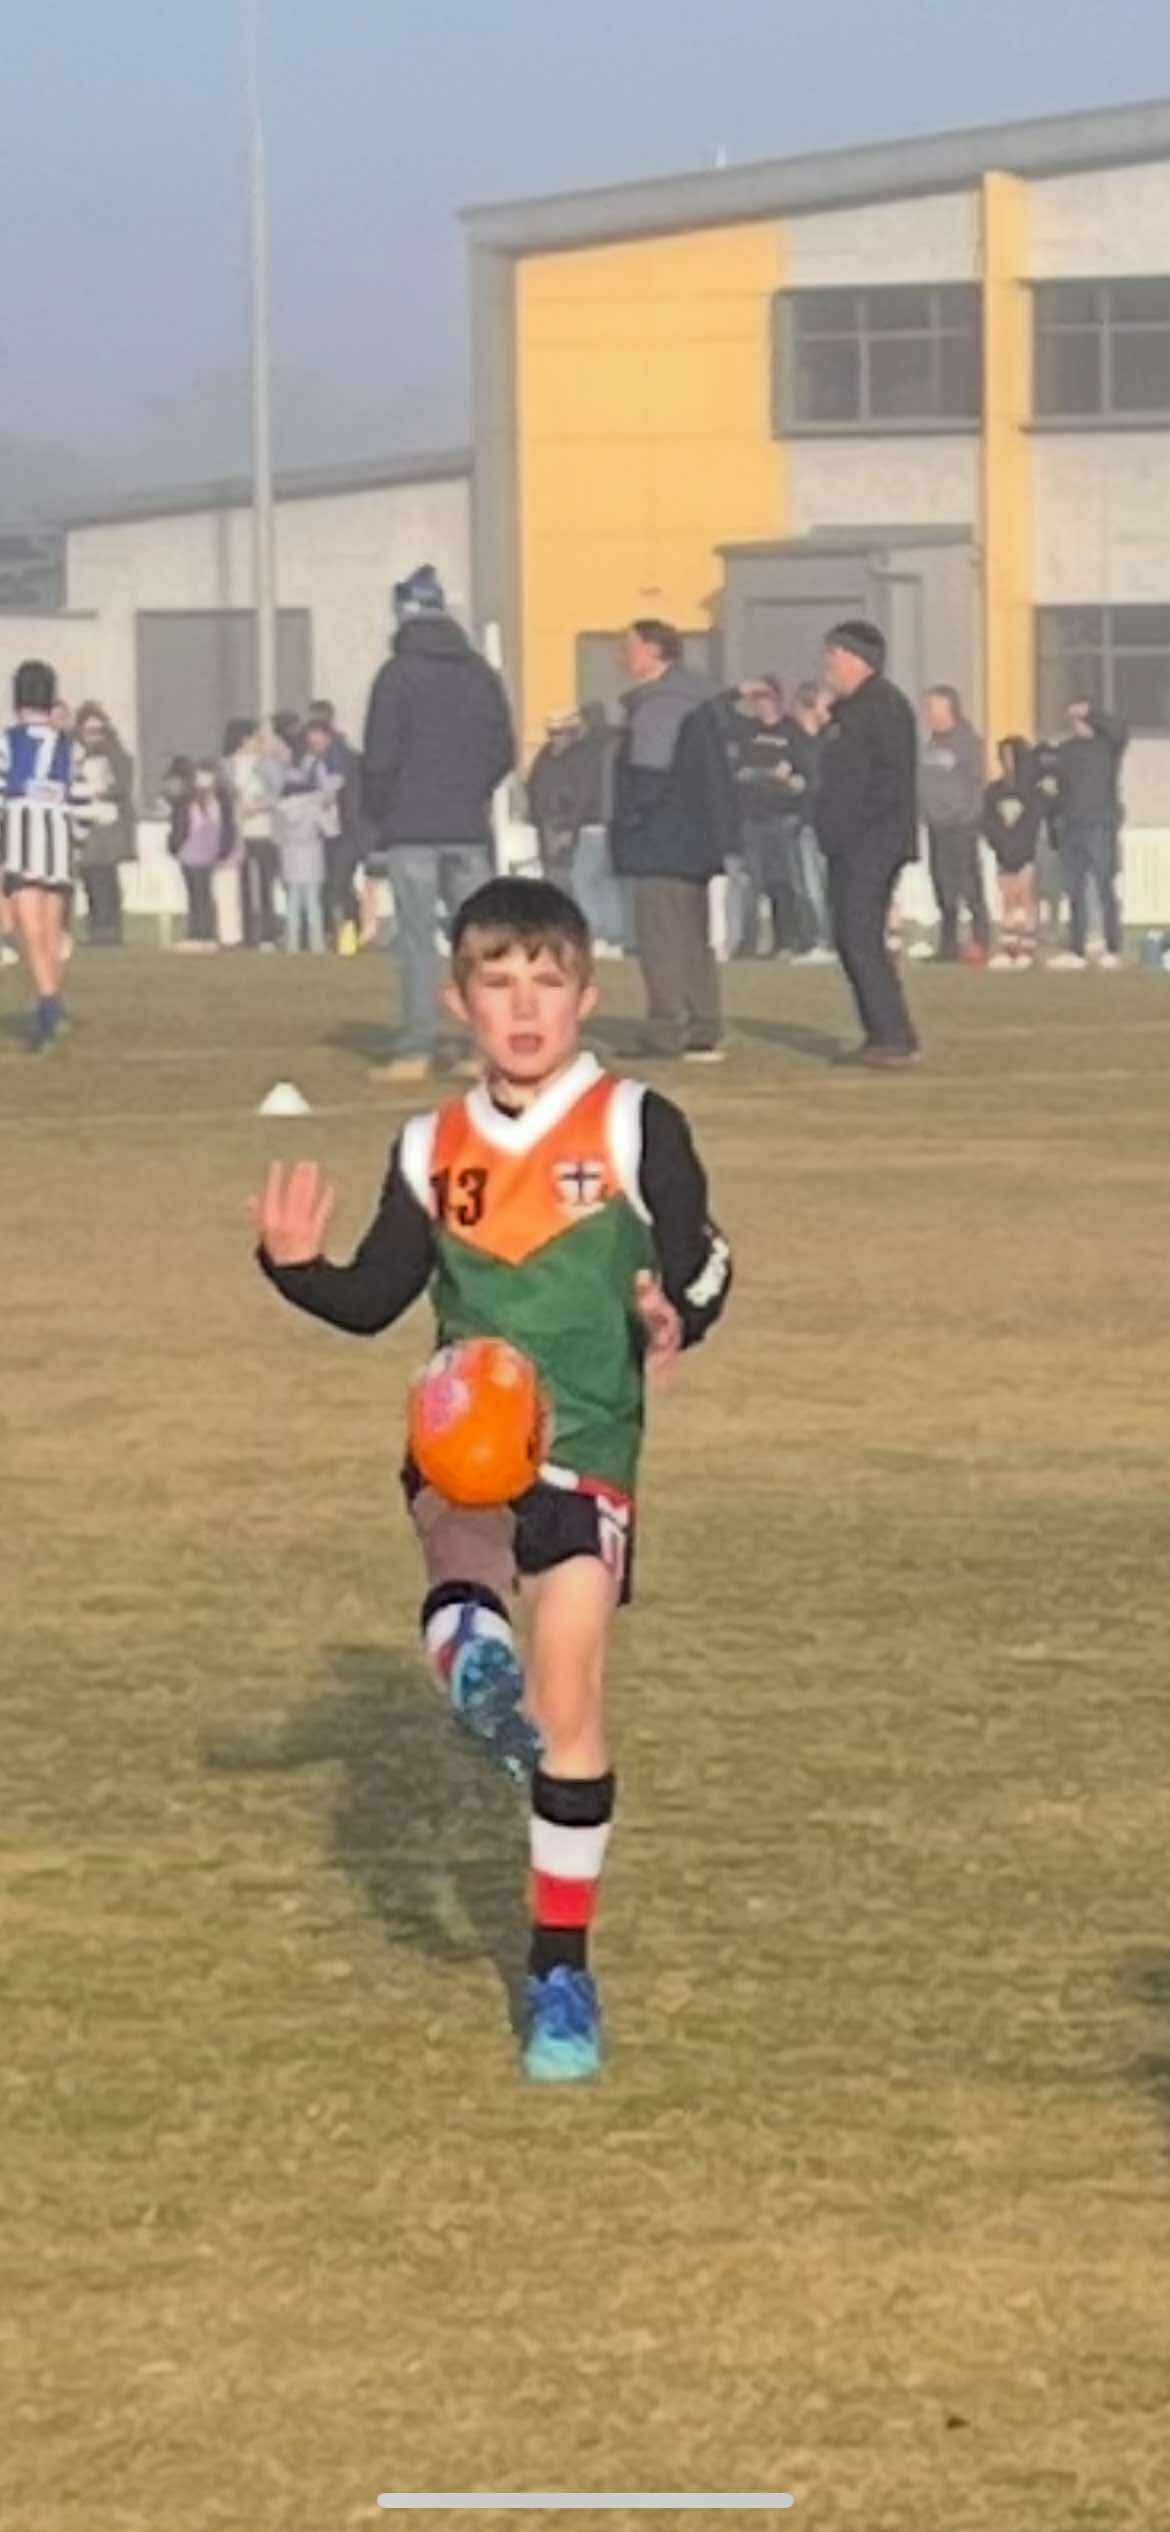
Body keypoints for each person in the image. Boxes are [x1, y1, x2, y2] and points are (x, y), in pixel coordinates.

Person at [251, 874, 732, 2082]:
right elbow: (377, 1298)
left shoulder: (635, 1123)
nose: (524, 1009)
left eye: (546, 984)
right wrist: (297, 1270)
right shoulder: (430, 1147)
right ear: (461, 999)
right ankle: (469, 1650)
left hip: (591, 1451)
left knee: (569, 1710)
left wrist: (672, 1313)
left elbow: (705, 1261)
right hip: (465, 1437)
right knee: (463, 1552)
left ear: (586, 995)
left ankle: (559, 1972)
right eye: (498, 984)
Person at [361, 564, 515, 1086]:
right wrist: (472, 791)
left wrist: (382, 812)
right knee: (481, 945)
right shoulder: (480, 674)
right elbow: (502, 750)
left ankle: (416, 1045)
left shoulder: (396, 675)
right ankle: (485, 1047)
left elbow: (379, 757)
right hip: (468, 825)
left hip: (411, 826)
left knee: (415, 941)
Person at [610, 620, 736, 1061]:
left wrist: (630, 822)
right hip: (696, 840)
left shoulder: (661, 704)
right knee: (692, 936)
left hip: (660, 839)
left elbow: (649, 773)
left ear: (653, 651)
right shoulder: (701, 699)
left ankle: (667, 1028)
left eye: (629, 647)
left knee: (661, 936)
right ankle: (703, 1024)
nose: (622, 656)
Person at [818, 621, 920, 1068]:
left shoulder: (883, 707)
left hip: (871, 841)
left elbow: (885, 780)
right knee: (850, 936)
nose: (827, 665)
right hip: (848, 841)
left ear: (857, 659)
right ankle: (882, 1032)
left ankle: (892, 1035)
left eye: (833, 655)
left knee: (860, 935)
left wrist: (858, 828)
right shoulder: (848, 711)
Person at [0, 659, 91, 1051]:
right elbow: (83, 801)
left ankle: (49, 1009)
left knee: (29, 932)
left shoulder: (8, 741)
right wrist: (75, 841)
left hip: (21, 846)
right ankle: (49, 1002)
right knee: (49, 933)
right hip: (58, 848)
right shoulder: (70, 747)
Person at [1049, 698, 1129, 969]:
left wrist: (1092, 712)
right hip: (1071, 825)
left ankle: (1111, 946)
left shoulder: (1108, 746)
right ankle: (1077, 947)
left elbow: (1119, 730)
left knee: (1104, 885)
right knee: (1074, 889)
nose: (1076, 722)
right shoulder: (1066, 750)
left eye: (1080, 717)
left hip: (1100, 823)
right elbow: (1058, 787)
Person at [919, 685, 990, 964]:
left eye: (933, 707)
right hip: (936, 825)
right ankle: (948, 945)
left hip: (961, 825)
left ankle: (981, 941)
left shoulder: (967, 742)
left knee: (969, 885)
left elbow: (976, 783)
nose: (929, 713)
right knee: (943, 885)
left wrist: (966, 815)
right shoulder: (930, 745)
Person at [73, 701, 135, 946]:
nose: (93, 737)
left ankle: (110, 929)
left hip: (109, 824)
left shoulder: (117, 756)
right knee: (90, 878)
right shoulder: (75, 755)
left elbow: (121, 787)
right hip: (85, 822)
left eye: (97, 731)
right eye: (88, 731)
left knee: (106, 878)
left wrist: (98, 790)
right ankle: (96, 928)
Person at [303, 706, 363, 953]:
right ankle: (344, 935)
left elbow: (334, 788)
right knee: (338, 884)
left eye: (317, 743)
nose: (314, 747)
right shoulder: (328, 759)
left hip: (344, 831)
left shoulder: (338, 759)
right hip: (335, 831)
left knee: (338, 883)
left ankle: (346, 934)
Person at [984, 738, 1042, 969]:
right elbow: (987, 822)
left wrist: (1026, 850)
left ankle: (1026, 948)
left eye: (1011, 756)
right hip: (1003, 853)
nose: (1007, 762)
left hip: (1027, 854)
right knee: (1007, 900)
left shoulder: (1032, 792)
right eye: (1003, 756)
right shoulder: (994, 791)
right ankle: (1009, 948)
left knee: (1025, 899)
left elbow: (1033, 824)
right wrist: (998, 844)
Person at [166, 758, 232, 950]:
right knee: (198, 894)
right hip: (194, 852)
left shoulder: (215, 801)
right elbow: (180, 825)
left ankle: (202, 934)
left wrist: (222, 850)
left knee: (200, 894)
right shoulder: (194, 800)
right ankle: (200, 934)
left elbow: (224, 827)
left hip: (200, 852)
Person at [272, 763, 329, 953]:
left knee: (292, 903)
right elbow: (331, 829)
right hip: (312, 856)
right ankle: (317, 944)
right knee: (313, 903)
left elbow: (277, 837)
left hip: (289, 856)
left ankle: (292, 944)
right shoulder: (314, 807)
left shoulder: (280, 809)